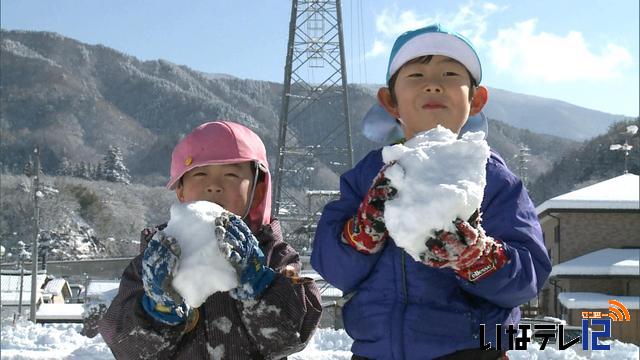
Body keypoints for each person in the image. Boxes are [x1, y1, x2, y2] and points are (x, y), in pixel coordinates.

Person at [311, 24, 551, 360]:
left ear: (477, 99)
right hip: (376, 352)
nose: (433, 83)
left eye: (450, 74)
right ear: (389, 101)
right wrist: (359, 236)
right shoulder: (367, 176)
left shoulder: (493, 178)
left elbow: (528, 277)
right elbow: (333, 268)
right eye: (417, 74)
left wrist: (479, 259)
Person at [99, 121, 322, 359]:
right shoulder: (155, 259)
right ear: (181, 191)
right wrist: (158, 310)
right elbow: (124, 346)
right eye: (201, 174)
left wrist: (260, 283)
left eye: (231, 175)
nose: (214, 186)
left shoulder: (273, 255)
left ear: (257, 192)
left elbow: (295, 333)